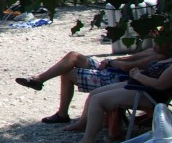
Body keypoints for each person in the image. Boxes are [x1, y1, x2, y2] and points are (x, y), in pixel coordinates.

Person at [15, 45, 170, 124]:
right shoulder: (156, 52)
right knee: (73, 56)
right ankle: (38, 79)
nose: (157, 37)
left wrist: (112, 62)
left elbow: (128, 67)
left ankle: (62, 114)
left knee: (68, 73)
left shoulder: (160, 58)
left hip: (119, 77)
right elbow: (129, 59)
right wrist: (111, 61)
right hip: (113, 68)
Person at [65, 54, 172, 143]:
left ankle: (88, 141)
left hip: (148, 94)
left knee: (97, 100)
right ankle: (83, 123)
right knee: (94, 93)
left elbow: (159, 85)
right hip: (138, 84)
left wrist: (138, 76)